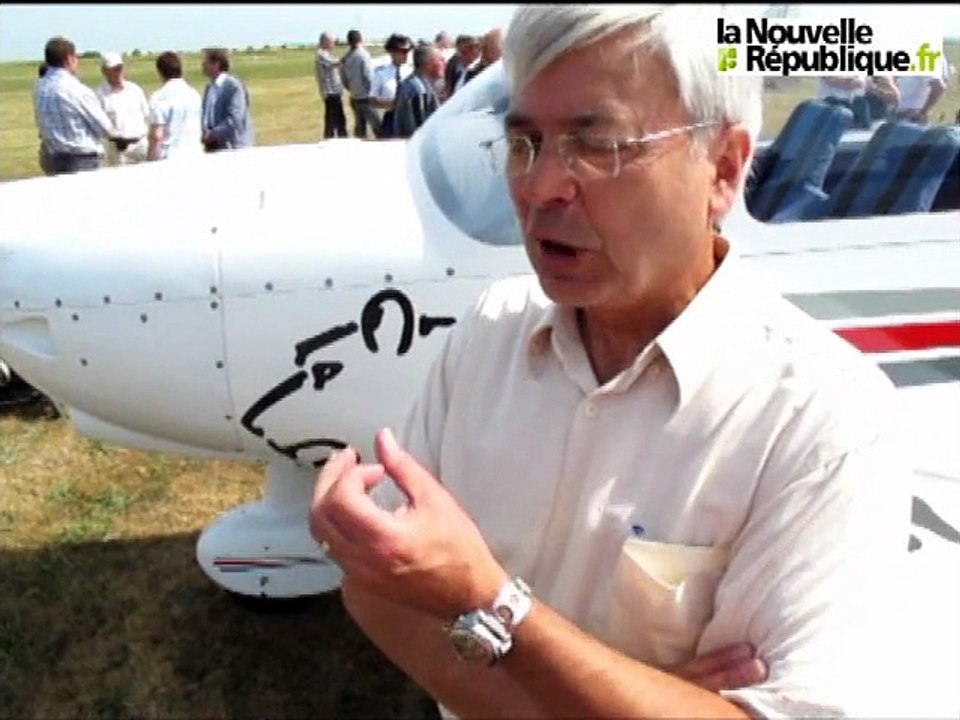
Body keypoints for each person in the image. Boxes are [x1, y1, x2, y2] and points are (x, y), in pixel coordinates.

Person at [309, 5, 910, 720]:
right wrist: (615, 697)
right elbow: (376, 590)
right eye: (525, 143)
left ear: (722, 169)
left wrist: (486, 605)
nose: (539, 188)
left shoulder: (823, 420)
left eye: (600, 147)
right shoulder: (489, 334)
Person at [33, 36, 123, 175]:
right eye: (76, 58)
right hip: (82, 159)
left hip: (53, 156)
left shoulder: (40, 86)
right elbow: (105, 129)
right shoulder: (77, 90)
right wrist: (122, 136)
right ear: (69, 59)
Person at [95, 51, 150, 166]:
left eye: (119, 68)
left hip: (140, 145)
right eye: (114, 69)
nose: (118, 72)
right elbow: (100, 126)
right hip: (117, 150)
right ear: (105, 71)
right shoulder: (99, 95)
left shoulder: (135, 90)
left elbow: (146, 115)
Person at [147, 51, 203, 161]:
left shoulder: (159, 97)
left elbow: (157, 135)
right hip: (194, 154)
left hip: (170, 157)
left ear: (160, 72)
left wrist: (150, 160)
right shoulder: (194, 94)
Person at [200, 47, 255, 151]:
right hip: (214, 148)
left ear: (216, 64)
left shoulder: (233, 86)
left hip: (233, 147)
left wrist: (213, 134)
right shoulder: (210, 87)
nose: (202, 65)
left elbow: (235, 119)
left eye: (205, 61)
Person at [392, 43, 444, 139]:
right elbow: (415, 130)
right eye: (441, 60)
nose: (444, 64)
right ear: (429, 64)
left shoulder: (422, 85)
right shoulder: (417, 89)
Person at [370, 33, 413, 139]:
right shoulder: (381, 73)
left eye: (408, 51)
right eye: (403, 51)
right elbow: (372, 99)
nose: (406, 54)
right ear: (392, 52)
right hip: (391, 118)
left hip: (409, 118)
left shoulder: (411, 71)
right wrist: (393, 104)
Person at [340, 29, 379, 139]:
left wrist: (352, 89)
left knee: (360, 129)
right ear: (360, 39)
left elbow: (344, 79)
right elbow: (368, 76)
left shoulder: (346, 58)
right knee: (378, 127)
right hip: (366, 98)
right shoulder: (363, 55)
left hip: (354, 97)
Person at [315, 32, 347, 139]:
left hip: (334, 90)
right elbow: (334, 63)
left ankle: (338, 136)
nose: (333, 44)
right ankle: (331, 139)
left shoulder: (327, 53)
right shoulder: (321, 54)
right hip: (330, 91)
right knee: (333, 119)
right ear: (326, 41)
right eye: (332, 41)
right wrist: (348, 55)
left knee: (338, 118)